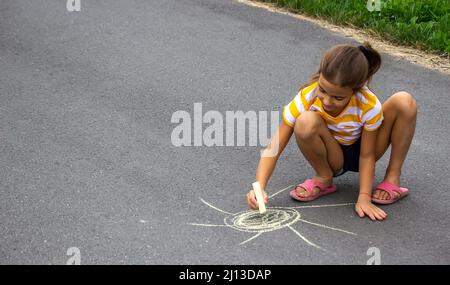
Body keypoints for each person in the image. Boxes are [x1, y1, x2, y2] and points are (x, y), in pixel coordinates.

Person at [246, 42, 417, 221]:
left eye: (338, 97)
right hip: (333, 154)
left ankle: (392, 178)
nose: (327, 101)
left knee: (404, 101)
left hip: (367, 150)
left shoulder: (367, 103)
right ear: (319, 77)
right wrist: (259, 188)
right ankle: (324, 177)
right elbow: (274, 147)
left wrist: (364, 198)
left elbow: (367, 155)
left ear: (356, 91)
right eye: (323, 90)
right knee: (305, 121)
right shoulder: (307, 97)